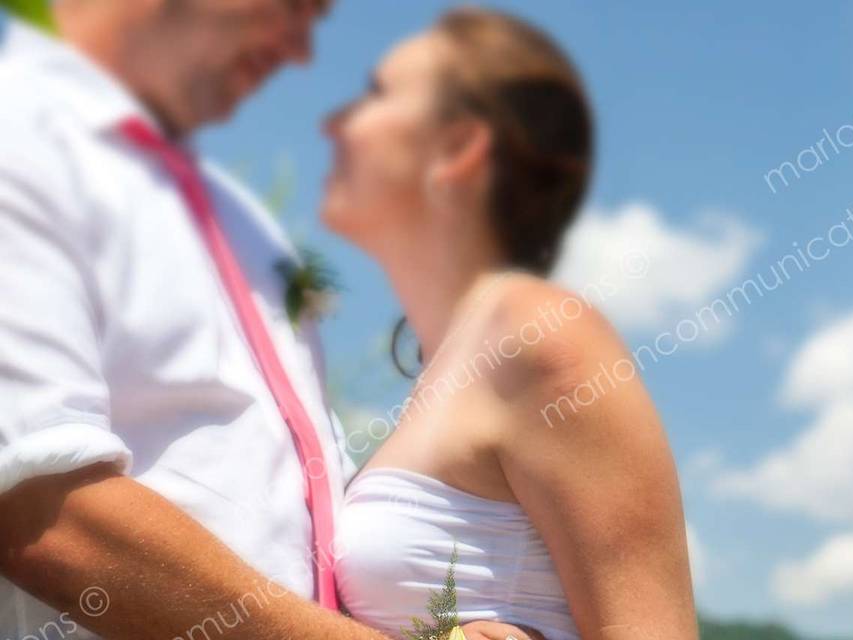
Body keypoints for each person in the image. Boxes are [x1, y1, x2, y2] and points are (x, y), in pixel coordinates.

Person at [0, 2, 536, 639]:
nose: (300, 51)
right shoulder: (18, 133)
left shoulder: (244, 222)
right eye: (294, 6)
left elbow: (305, 528)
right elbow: (39, 512)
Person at [323, 7, 698, 640]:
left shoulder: (541, 334)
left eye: (376, 93)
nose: (333, 122)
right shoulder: (450, 362)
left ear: (458, 148)